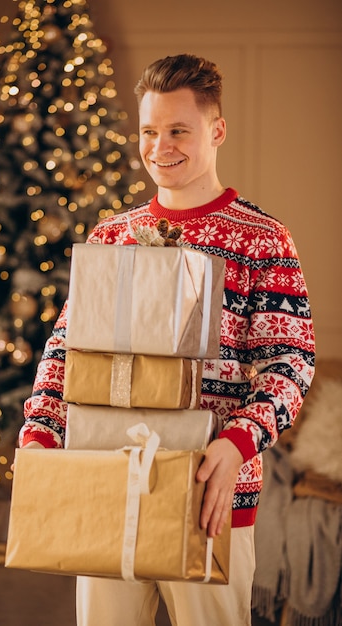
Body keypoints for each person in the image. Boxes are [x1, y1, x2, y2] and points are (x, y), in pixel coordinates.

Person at [19, 54, 315, 626]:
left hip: (209, 495)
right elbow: (66, 350)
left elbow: (290, 363)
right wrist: (40, 434)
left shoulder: (263, 240)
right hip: (105, 483)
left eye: (179, 130)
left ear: (217, 131)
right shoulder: (112, 237)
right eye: (149, 131)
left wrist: (238, 442)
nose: (160, 146)